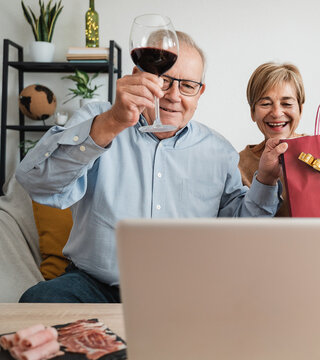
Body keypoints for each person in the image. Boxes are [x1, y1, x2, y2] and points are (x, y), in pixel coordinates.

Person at [15, 32, 287, 303]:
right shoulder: (98, 119)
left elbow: (239, 229)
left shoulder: (219, 151)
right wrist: (112, 122)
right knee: (37, 301)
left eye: (188, 86)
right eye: (164, 80)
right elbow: (37, 181)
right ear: (138, 75)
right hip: (95, 285)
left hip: (185, 293)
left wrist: (264, 178)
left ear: (200, 92)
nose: (173, 96)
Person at [239, 62, 320, 216]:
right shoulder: (238, 165)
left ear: (300, 110)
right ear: (252, 112)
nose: (276, 113)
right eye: (266, 104)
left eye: (286, 103)